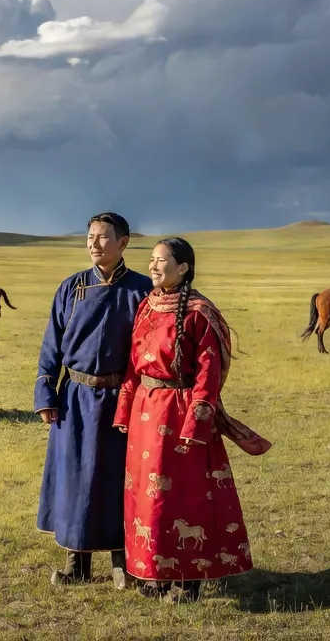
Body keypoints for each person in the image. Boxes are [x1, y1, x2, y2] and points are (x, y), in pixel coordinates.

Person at [112, 237, 258, 601]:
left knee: (182, 499)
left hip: (180, 412)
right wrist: (125, 410)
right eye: (151, 260)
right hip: (146, 413)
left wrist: (198, 422)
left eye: (161, 261)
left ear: (183, 268)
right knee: (146, 497)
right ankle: (155, 573)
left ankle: (186, 580)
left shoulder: (199, 312)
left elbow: (208, 374)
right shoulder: (147, 305)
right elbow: (133, 364)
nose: (153, 266)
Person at [35, 212, 155, 588]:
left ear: (123, 242)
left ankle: (125, 564)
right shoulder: (71, 288)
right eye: (90, 236)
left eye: (103, 237)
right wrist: (46, 393)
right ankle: (77, 565)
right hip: (74, 398)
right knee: (74, 478)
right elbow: (51, 345)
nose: (93, 243)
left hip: (124, 398)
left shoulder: (142, 291)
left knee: (120, 480)